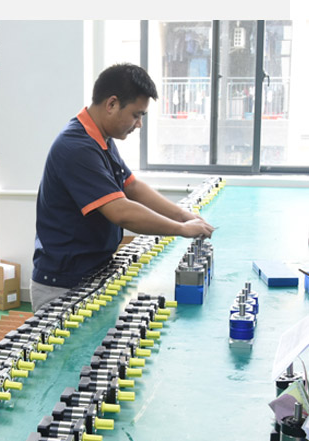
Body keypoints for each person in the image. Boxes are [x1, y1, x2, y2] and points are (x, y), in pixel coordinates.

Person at [30, 63, 214, 312]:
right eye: (136, 115)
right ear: (112, 104)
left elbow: (132, 186)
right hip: (63, 286)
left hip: (91, 275)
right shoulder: (76, 147)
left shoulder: (100, 139)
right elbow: (121, 212)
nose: (139, 124)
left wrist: (183, 214)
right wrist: (181, 229)